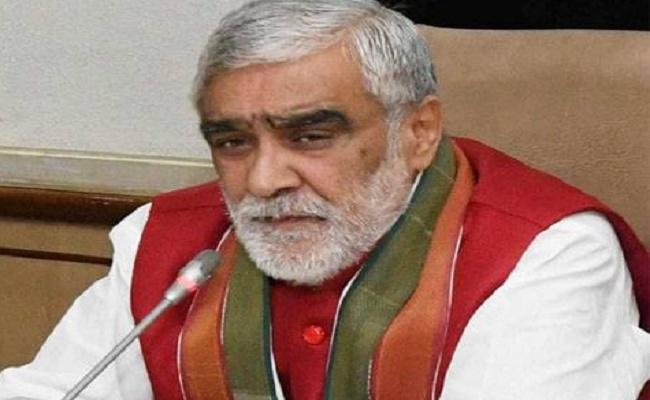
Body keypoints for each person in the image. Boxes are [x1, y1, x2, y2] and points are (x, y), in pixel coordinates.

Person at [1, 0, 648, 399]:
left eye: (310, 136)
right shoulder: (166, 246)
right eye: (232, 142)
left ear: (418, 132)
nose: (263, 181)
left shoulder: (546, 255)